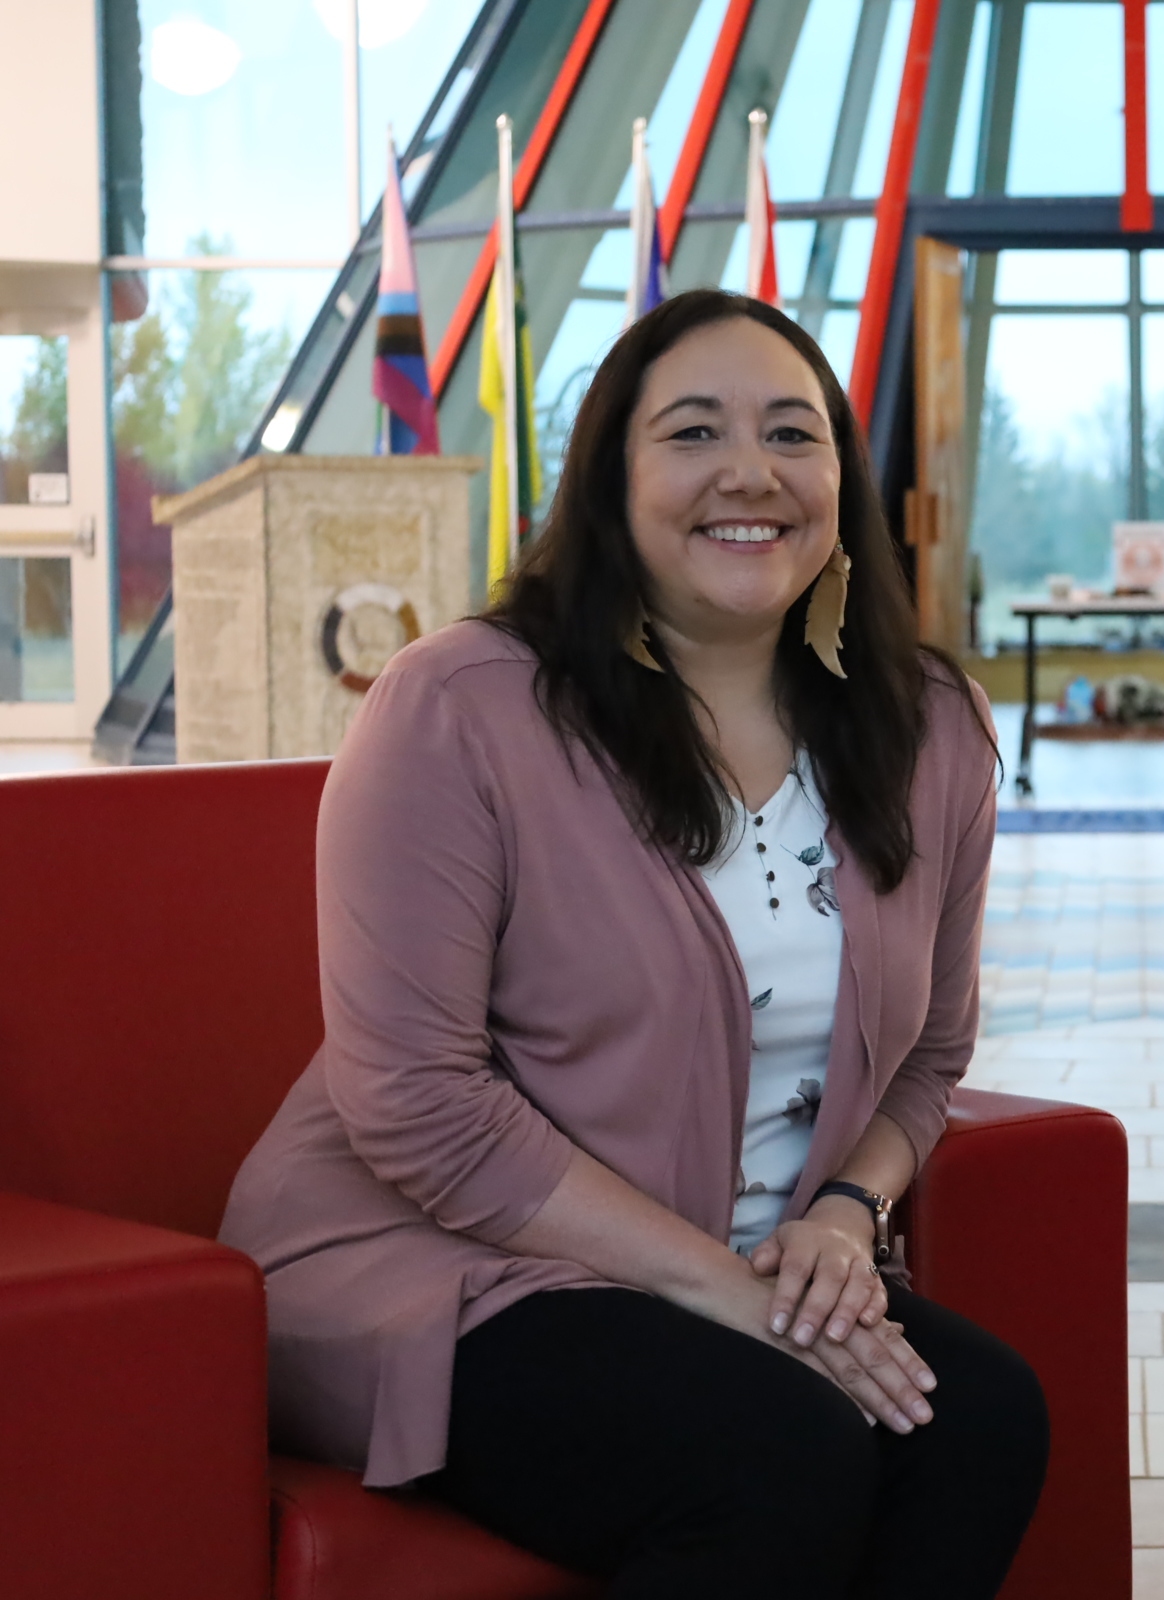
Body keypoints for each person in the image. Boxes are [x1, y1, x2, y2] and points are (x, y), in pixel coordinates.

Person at [219, 290, 1045, 1598]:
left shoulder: (928, 724)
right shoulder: (463, 706)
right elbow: (416, 1104)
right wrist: (723, 1292)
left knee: (984, 1421)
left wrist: (843, 1214)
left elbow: (933, 1053)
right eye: (692, 432)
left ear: (840, 478)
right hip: (449, 1271)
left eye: (793, 433)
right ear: (609, 479)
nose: (750, 473)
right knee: (780, 1452)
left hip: (753, 1264)